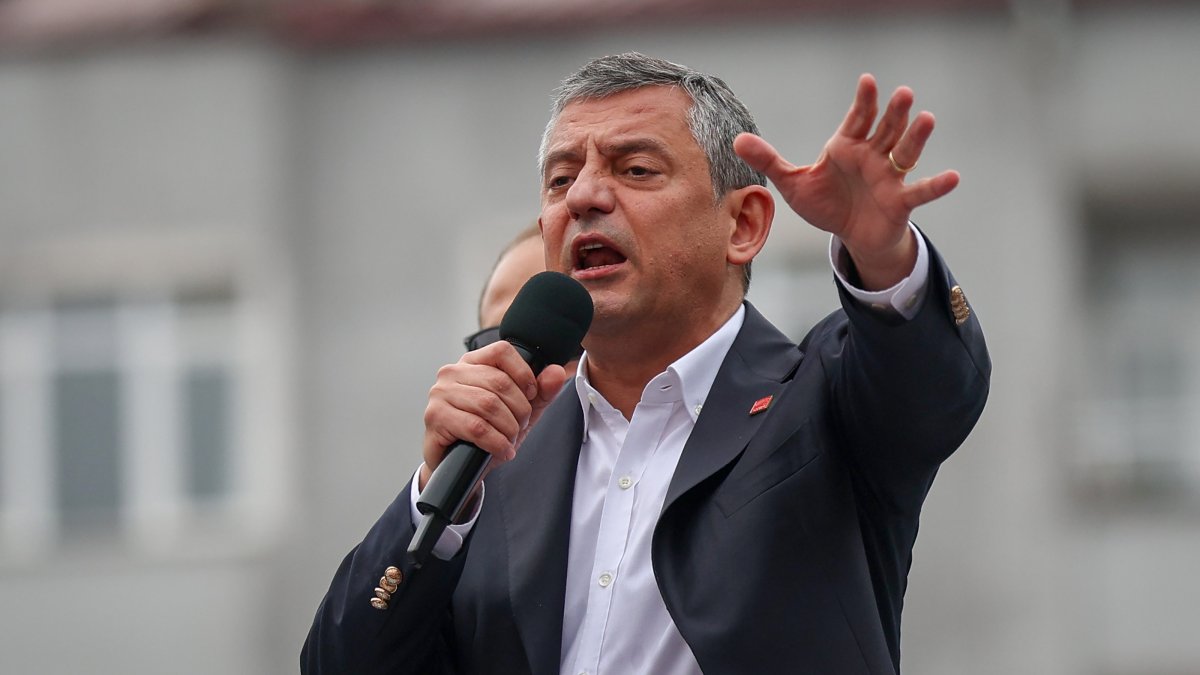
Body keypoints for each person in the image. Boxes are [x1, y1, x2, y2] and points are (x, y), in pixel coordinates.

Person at [302, 53, 990, 675]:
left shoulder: (820, 399)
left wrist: (882, 253)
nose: (584, 197)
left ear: (744, 224)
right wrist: (436, 491)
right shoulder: (502, 456)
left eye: (635, 170)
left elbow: (932, 388)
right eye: (561, 179)